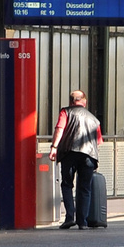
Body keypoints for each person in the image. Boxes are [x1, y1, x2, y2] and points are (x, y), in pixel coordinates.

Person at [49, 90, 104, 229]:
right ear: (84, 101)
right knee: (85, 188)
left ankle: (69, 218)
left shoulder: (65, 112)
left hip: (69, 152)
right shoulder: (94, 119)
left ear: (71, 101)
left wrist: (54, 147)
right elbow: (99, 141)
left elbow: (59, 128)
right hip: (89, 156)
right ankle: (83, 222)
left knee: (67, 184)